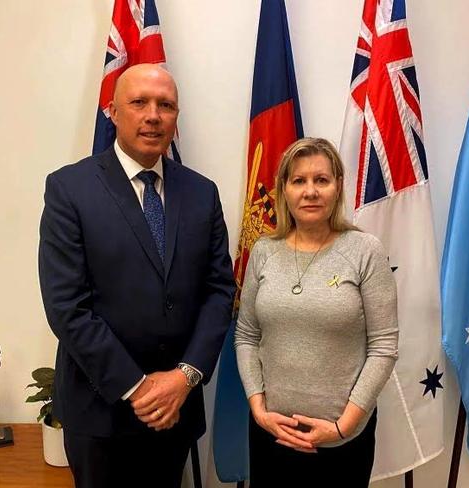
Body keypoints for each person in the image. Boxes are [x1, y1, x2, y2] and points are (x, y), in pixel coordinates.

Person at [38, 64, 235, 488]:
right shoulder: (70, 189)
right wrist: (139, 388)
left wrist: (185, 376)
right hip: (100, 412)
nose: (153, 115)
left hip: (176, 410)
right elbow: (66, 306)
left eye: (165, 105)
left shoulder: (202, 192)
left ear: (176, 117)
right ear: (112, 111)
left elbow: (220, 291)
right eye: (139, 102)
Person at [235, 137, 398, 487]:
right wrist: (259, 409)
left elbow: (384, 346)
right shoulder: (264, 251)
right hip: (271, 433)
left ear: (337, 186)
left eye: (321, 180)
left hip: (341, 440)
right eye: (299, 181)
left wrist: (344, 425)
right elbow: (246, 335)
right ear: (284, 189)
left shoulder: (364, 250)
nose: (310, 191)